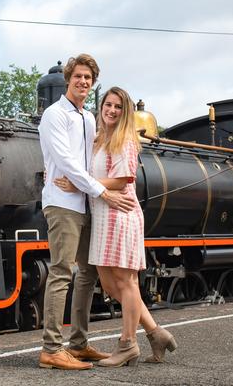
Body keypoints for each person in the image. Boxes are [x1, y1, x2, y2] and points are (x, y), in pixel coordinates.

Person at [55, 86, 178, 367]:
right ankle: (156, 333)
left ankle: (127, 345)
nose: (111, 110)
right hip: (102, 214)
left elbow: (123, 180)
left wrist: (79, 184)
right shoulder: (100, 138)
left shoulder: (125, 140)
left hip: (120, 212)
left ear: (126, 113)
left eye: (118, 107)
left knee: (126, 282)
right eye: (108, 105)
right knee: (111, 285)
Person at [38, 55, 136, 370]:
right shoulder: (54, 115)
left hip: (83, 203)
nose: (83, 82)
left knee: (88, 273)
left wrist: (93, 188)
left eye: (88, 78)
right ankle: (52, 349)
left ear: (92, 83)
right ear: (69, 78)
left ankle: (78, 344)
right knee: (61, 272)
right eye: (78, 76)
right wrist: (103, 191)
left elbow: (89, 158)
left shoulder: (89, 118)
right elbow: (66, 162)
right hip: (63, 204)